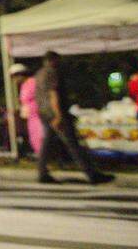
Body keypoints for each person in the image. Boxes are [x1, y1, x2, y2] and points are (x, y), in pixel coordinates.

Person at [34, 51, 114, 184]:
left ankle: (42, 172)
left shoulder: (39, 74)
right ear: (53, 60)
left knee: (46, 145)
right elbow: (54, 94)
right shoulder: (52, 73)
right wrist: (59, 115)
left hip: (44, 113)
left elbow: (39, 95)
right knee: (73, 144)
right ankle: (91, 174)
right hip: (55, 113)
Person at [11, 62, 43, 156]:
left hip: (37, 115)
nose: (15, 80)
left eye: (16, 76)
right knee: (34, 138)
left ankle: (44, 159)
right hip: (30, 117)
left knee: (40, 137)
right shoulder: (24, 86)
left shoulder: (33, 82)